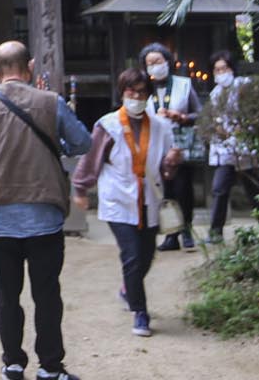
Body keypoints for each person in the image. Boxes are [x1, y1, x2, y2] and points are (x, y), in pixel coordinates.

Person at [0, 41, 92, 380]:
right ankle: (50, 367)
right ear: (31, 67)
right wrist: (57, 147)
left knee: (7, 295)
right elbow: (83, 142)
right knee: (47, 295)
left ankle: (12, 363)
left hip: (0, 216)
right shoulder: (52, 103)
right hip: (44, 216)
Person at [71, 67, 183, 338]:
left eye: (141, 92)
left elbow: (166, 169)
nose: (135, 96)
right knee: (131, 256)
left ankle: (126, 290)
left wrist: (171, 163)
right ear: (122, 93)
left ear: (148, 95)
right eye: (130, 91)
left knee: (146, 256)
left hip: (150, 200)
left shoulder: (160, 125)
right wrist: (81, 189)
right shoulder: (107, 125)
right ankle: (140, 311)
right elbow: (91, 159)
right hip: (119, 200)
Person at [138, 42, 201, 251]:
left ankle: (187, 231)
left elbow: (199, 113)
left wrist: (181, 116)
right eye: (149, 63)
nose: (154, 66)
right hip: (155, 145)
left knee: (183, 189)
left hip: (180, 144)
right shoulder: (144, 88)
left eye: (157, 61)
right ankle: (171, 234)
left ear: (167, 61)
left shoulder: (184, 84)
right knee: (164, 192)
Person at [205, 51, 259, 243]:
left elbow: (256, 110)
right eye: (217, 70)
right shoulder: (215, 94)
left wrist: (244, 126)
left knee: (255, 190)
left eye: (224, 68)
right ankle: (215, 233)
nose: (221, 72)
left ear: (231, 69)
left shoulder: (244, 86)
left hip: (247, 146)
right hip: (226, 149)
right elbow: (213, 118)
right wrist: (219, 129)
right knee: (219, 188)